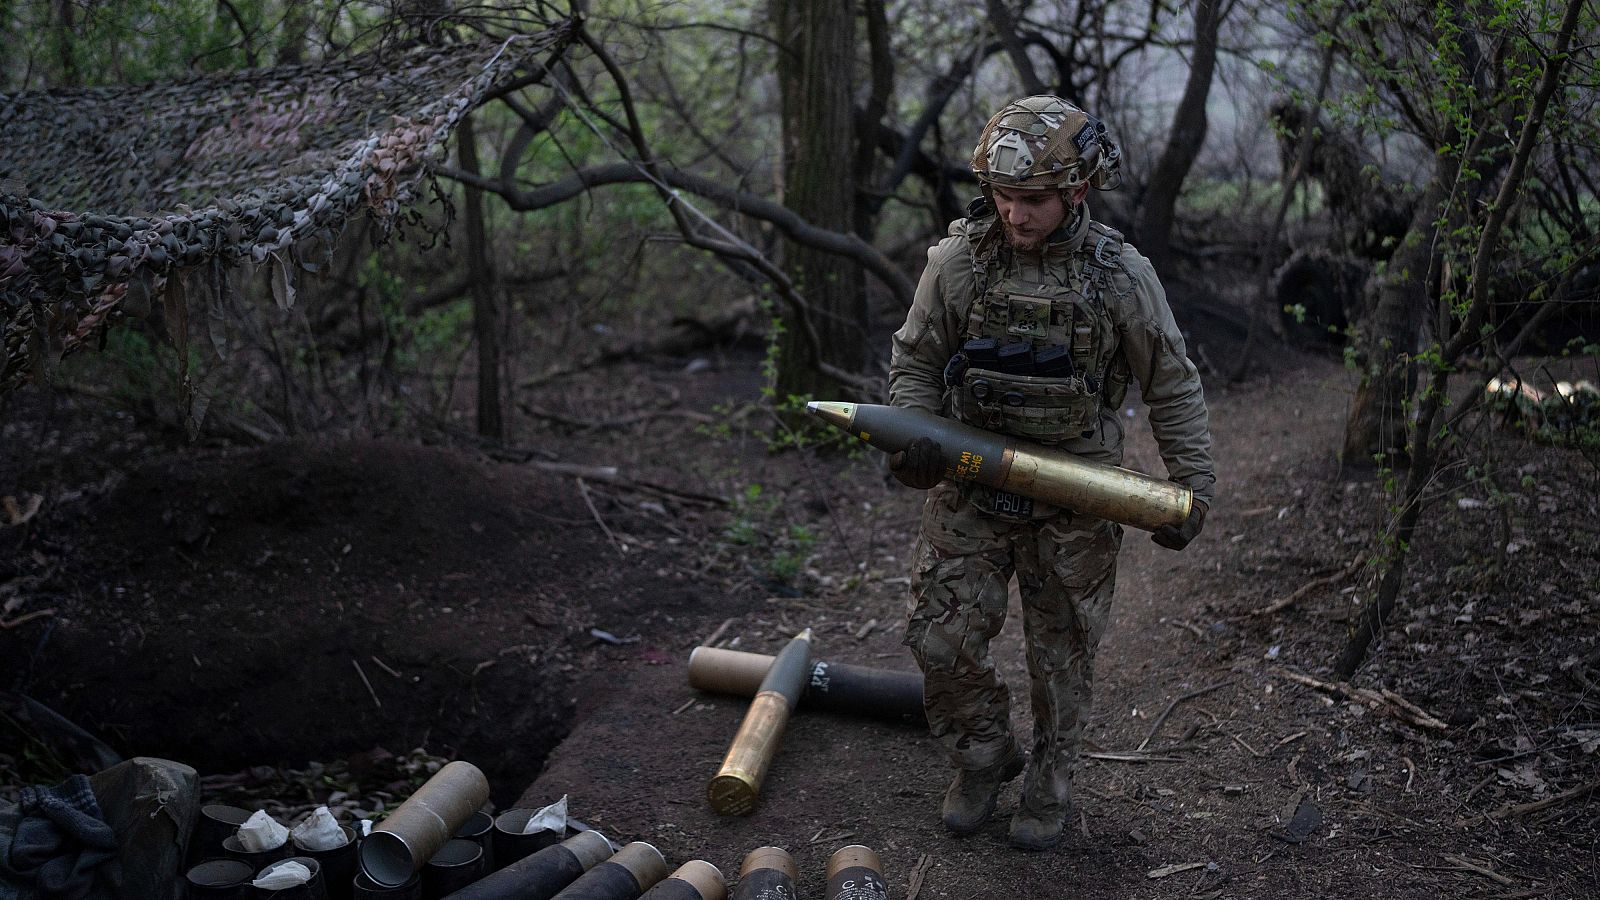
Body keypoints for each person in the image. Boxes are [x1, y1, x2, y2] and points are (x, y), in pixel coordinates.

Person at [887, 95, 1215, 851]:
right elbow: (916, 358)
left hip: (1076, 490)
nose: (1015, 215)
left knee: (1062, 655)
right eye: (1003, 197)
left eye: (1032, 199)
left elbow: (1170, 379)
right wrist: (915, 432)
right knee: (939, 641)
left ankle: (1052, 774)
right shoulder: (958, 264)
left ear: (1077, 193)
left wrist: (1190, 487)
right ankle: (981, 756)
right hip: (971, 479)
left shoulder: (1120, 277)